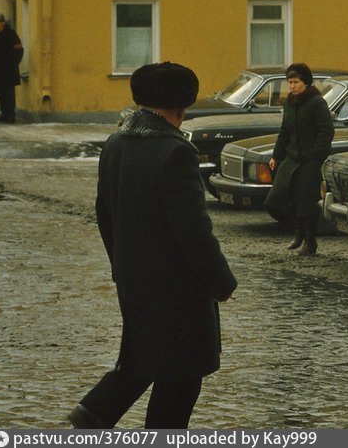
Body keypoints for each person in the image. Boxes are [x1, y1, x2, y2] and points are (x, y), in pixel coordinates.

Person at [69, 62, 237, 428]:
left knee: (144, 360)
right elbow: (193, 230)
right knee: (180, 376)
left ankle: (94, 412)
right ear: (181, 107)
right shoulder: (174, 152)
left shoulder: (116, 143)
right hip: (178, 287)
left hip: (135, 279)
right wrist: (221, 281)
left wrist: (122, 265)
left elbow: (105, 213)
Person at [265, 62, 334, 256]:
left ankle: (309, 242)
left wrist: (316, 154)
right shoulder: (290, 102)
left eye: (295, 82)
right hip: (292, 157)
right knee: (278, 198)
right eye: (289, 82)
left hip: (311, 160)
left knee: (306, 202)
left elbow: (326, 130)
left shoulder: (316, 102)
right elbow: (284, 131)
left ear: (306, 82)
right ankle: (298, 232)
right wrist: (276, 156)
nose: (292, 86)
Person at [0, 12, 24, 123]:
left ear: (2, 23)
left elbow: (19, 50)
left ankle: (9, 116)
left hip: (8, 71)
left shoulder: (10, 34)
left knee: (8, 95)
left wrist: (14, 63)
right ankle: (0, 114)